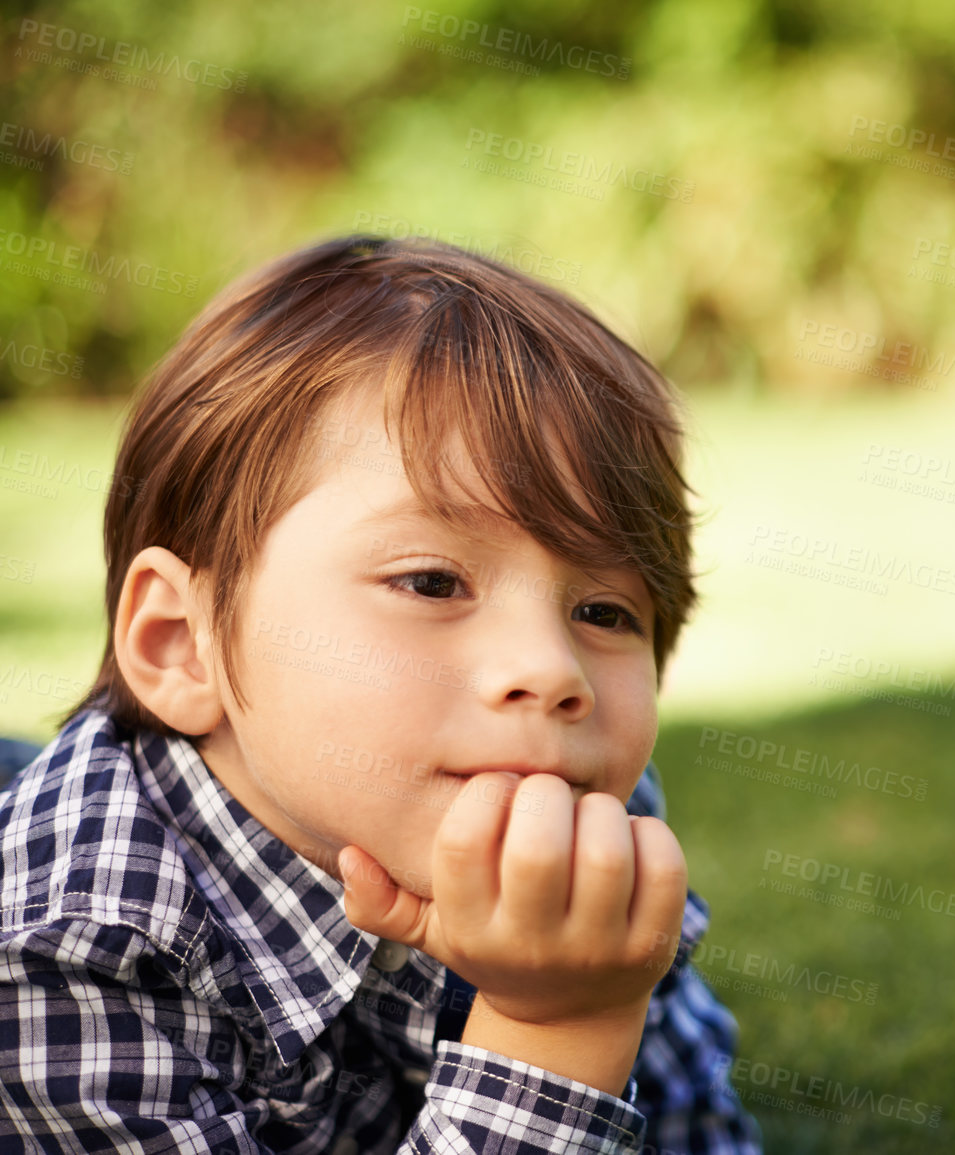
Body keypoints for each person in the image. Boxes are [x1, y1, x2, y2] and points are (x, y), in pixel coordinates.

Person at [0, 234, 763, 1154]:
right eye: (433, 582)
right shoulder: (77, 943)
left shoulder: (569, 815)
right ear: (182, 645)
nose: (555, 671)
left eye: (602, 609)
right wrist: (554, 1031)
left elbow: (691, 1136)